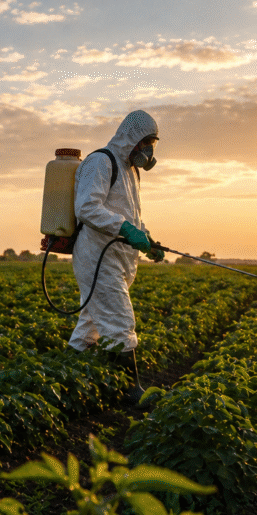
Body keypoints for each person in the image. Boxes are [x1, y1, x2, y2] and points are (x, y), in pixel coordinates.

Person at [68, 110, 164, 388]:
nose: (148, 150)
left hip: (117, 259)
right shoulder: (101, 161)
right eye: (146, 142)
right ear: (131, 137)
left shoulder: (131, 171)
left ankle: (67, 376)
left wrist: (147, 239)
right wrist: (126, 230)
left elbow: (130, 214)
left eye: (153, 144)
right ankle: (129, 390)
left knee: (91, 326)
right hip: (97, 256)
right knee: (120, 322)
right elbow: (86, 207)